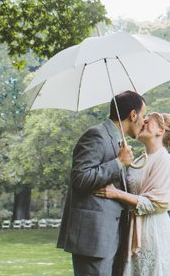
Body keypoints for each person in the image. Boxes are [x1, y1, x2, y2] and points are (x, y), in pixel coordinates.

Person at [58, 90, 147, 276]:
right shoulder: (96, 135)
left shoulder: (117, 142)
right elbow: (80, 178)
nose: (144, 121)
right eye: (143, 116)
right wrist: (118, 163)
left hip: (112, 236)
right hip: (93, 239)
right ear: (133, 115)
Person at [97, 112, 170, 276]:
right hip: (132, 230)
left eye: (148, 122)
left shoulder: (165, 160)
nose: (142, 123)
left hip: (153, 230)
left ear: (160, 130)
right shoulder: (139, 160)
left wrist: (115, 194)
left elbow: (155, 203)